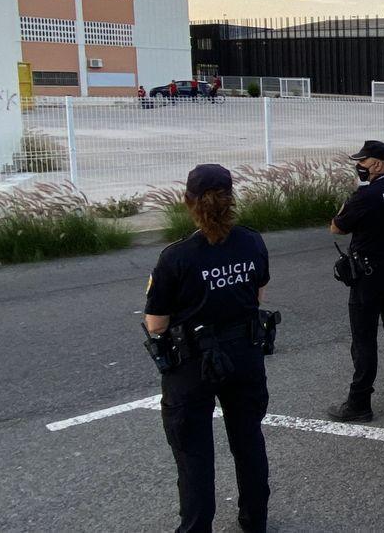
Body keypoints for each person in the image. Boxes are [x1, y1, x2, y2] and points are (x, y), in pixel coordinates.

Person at [145, 164, 271, 532]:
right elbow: (258, 293)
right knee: (248, 441)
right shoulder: (252, 241)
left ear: (188, 202)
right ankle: (255, 521)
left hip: (193, 362)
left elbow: (156, 323)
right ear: (231, 199)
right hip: (245, 352)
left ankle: (197, 527)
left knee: (193, 453)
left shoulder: (176, 256)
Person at [327, 140, 384, 422]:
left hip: (368, 276)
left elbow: (337, 228)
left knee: (364, 339)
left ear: (376, 164)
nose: (359, 167)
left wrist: (350, 199)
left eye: (362, 162)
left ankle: (359, 402)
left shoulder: (366, 195)